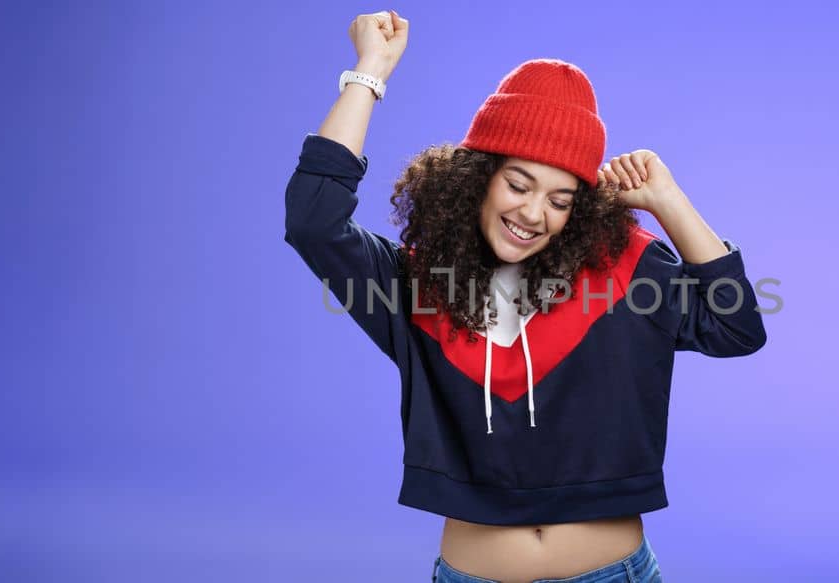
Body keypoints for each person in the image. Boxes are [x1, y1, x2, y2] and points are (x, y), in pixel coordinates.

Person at [285, 10, 767, 583]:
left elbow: (737, 328)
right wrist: (369, 73)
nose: (534, 213)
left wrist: (670, 204)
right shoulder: (414, 287)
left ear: (581, 210)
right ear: (475, 178)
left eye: (562, 200)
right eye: (518, 184)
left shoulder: (630, 273)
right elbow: (314, 223)